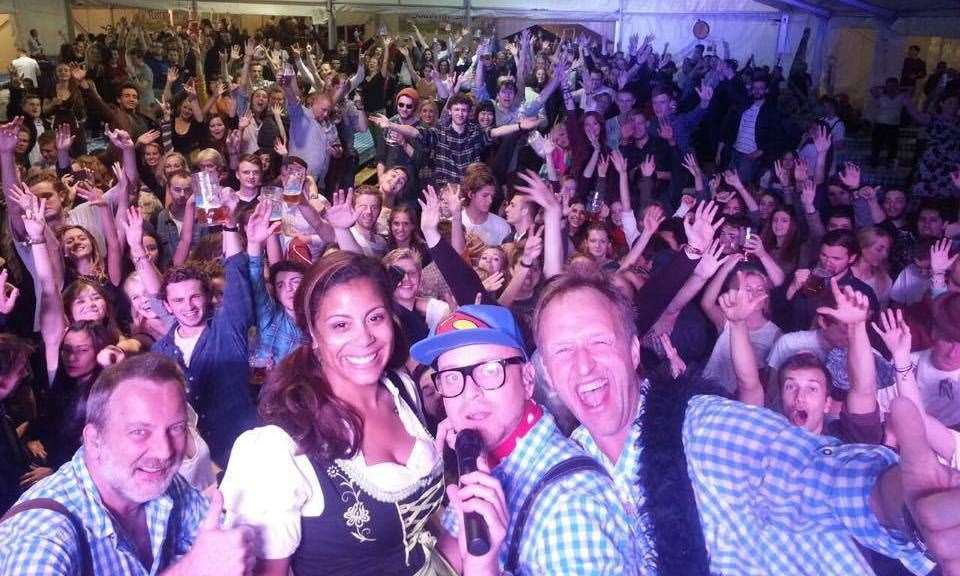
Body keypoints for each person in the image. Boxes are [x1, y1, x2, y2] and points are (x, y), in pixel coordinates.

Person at [533, 272, 948, 574]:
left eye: (599, 342)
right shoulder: (571, 469)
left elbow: (806, 473)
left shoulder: (702, 427)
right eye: (563, 351)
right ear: (547, 374)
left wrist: (897, 499)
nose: (584, 365)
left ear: (633, 351)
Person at [221, 251, 457, 576]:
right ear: (314, 335)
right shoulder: (276, 448)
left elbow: (424, 534)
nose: (364, 338)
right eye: (341, 325)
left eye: (375, 318)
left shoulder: (401, 388)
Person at [410, 303, 640, 574]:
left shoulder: (569, 509)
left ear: (529, 379)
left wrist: (482, 567)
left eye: (490, 370)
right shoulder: (481, 466)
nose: (468, 394)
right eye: (451, 378)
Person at [0, 354, 254, 575]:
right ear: (94, 440)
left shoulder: (163, 483)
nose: (164, 451)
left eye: (176, 428)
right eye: (139, 431)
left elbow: (222, 546)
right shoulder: (44, 532)